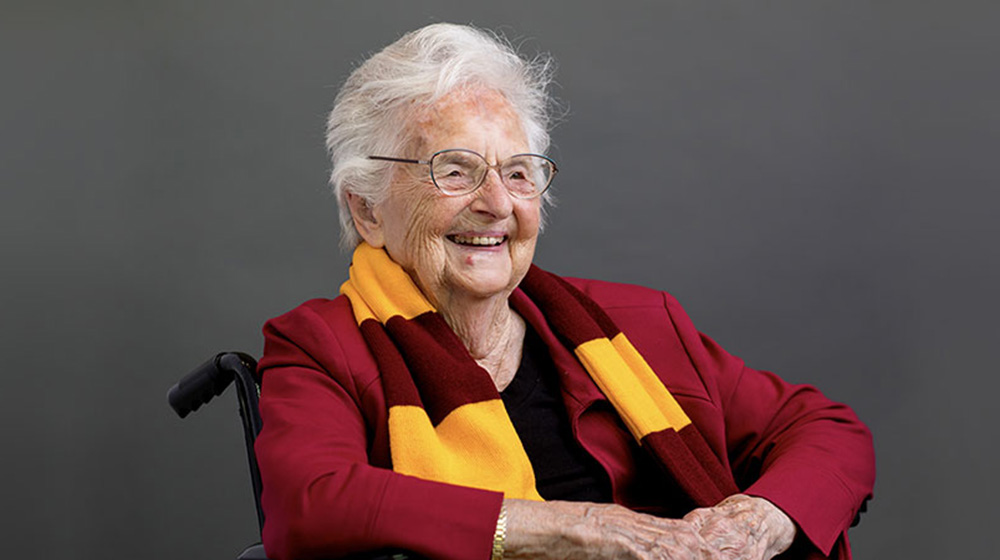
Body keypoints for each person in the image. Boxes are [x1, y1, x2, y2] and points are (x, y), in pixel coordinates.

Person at [254, 23, 875, 560]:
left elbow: (826, 428)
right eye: (455, 170)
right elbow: (310, 504)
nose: (497, 204)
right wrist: (582, 529)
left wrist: (754, 524)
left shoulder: (636, 323)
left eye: (518, 172)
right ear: (366, 211)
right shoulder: (321, 347)